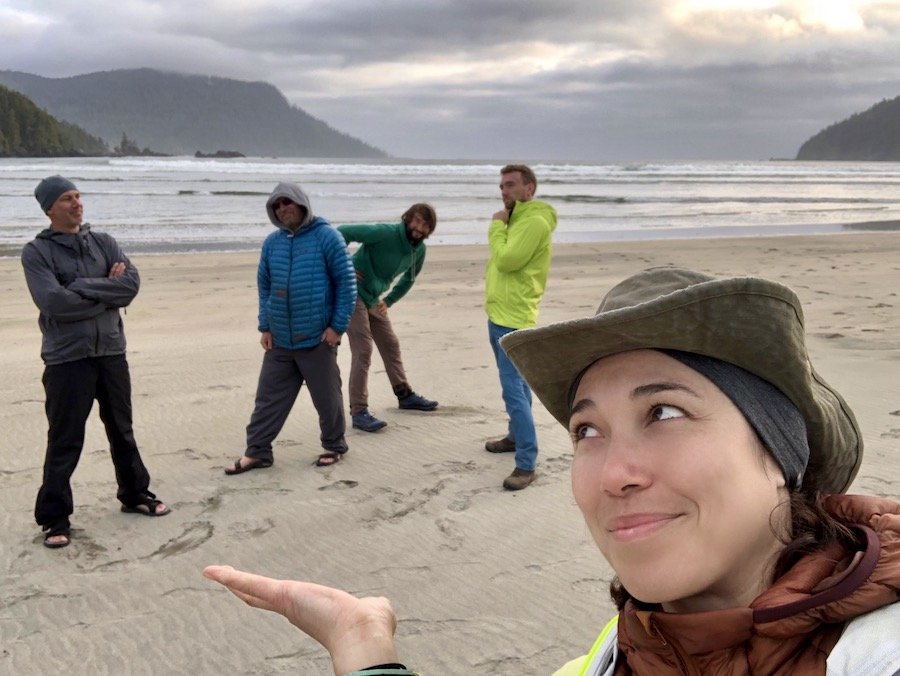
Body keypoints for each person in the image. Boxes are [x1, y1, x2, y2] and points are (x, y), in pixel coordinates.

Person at [204, 266, 899, 675]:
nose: (612, 474)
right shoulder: (625, 645)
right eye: (588, 429)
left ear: (780, 453)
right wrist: (366, 647)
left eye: (663, 413)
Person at [22, 175, 170, 550]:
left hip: (111, 353)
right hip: (67, 359)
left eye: (77, 196)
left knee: (122, 429)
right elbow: (53, 303)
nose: (77, 203)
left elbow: (130, 286)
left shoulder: (104, 243)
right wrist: (106, 289)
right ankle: (55, 517)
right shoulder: (36, 252)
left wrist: (80, 287)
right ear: (49, 208)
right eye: (67, 198)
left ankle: (135, 494)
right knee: (65, 439)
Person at [224, 182, 356, 473]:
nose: (282, 209)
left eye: (287, 202)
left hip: (317, 337)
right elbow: (265, 285)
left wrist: (337, 327)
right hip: (281, 339)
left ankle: (334, 445)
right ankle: (258, 452)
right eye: (276, 205)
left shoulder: (328, 237)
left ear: (301, 203)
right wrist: (265, 326)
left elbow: (346, 284)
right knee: (267, 399)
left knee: (327, 398)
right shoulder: (273, 242)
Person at [483, 164, 557, 490]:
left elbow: (507, 261)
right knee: (519, 386)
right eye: (501, 185)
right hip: (500, 314)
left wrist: (495, 227)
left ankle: (526, 464)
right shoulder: (518, 219)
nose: (504, 191)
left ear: (530, 188)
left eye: (511, 184)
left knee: (513, 389)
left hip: (513, 319)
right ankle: (515, 437)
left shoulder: (534, 222)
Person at [337, 204, 440, 433]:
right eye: (416, 221)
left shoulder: (419, 250)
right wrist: (342, 266)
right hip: (352, 291)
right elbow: (342, 232)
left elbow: (409, 280)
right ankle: (359, 411)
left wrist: (390, 300)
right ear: (407, 219)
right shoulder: (385, 233)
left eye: (425, 225)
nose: (418, 228)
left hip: (373, 298)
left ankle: (404, 395)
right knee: (363, 350)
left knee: (390, 344)